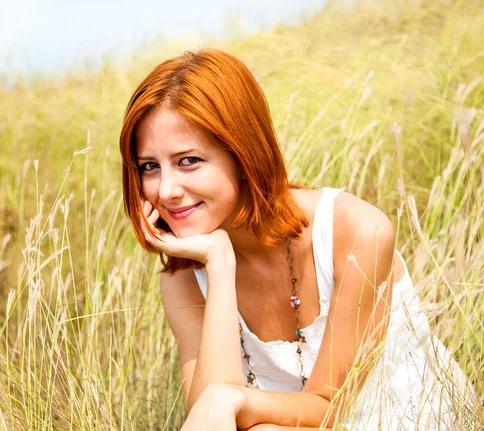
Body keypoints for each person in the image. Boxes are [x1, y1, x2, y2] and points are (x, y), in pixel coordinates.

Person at [118, 48, 475, 430]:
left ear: (244, 155)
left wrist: (232, 400)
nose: (166, 189)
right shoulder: (184, 278)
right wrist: (219, 263)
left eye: (188, 160)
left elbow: (327, 407)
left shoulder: (355, 232)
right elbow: (211, 416)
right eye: (149, 167)